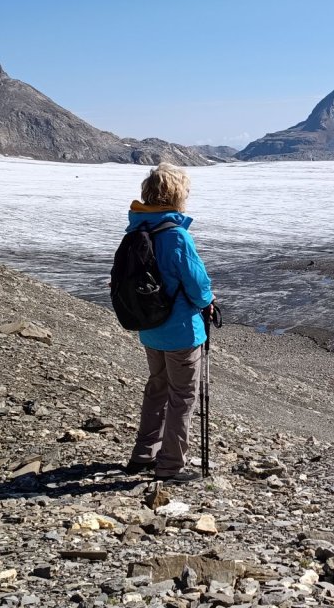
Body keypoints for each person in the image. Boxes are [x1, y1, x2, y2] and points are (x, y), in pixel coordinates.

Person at [123, 163, 214, 482]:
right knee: (182, 395)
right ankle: (172, 465)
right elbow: (198, 285)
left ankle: (144, 454)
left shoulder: (137, 228)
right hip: (180, 332)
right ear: (175, 194)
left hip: (151, 329)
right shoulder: (175, 235)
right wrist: (209, 302)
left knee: (157, 388)